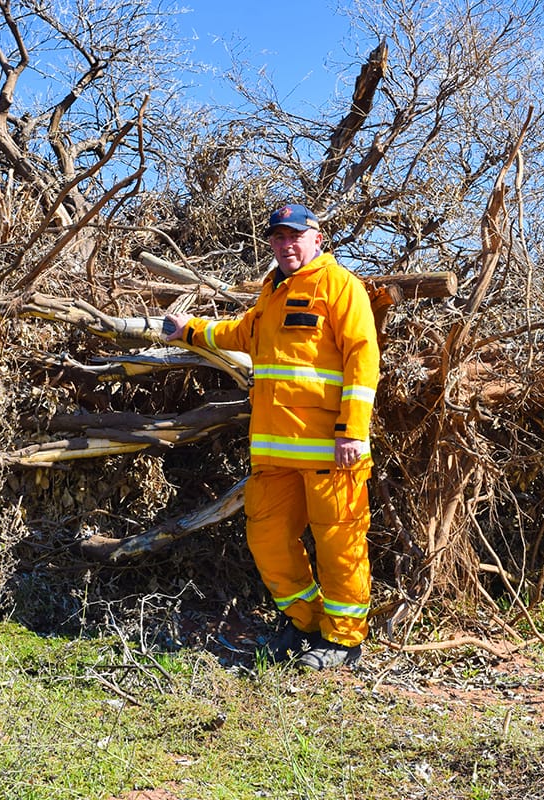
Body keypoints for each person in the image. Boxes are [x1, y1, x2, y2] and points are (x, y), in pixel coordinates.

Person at [164, 203, 380, 670]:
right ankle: (306, 624)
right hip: (274, 452)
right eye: (278, 238)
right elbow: (241, 333)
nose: (286, 245)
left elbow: (363, 363)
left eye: (294, 236)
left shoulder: (340, 287)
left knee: (339, 542)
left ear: (316, 238)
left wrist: (352, 432)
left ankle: (344, 641)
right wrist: (192, 331)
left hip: (331, 450)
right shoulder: (272, 291)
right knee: (267, 538)